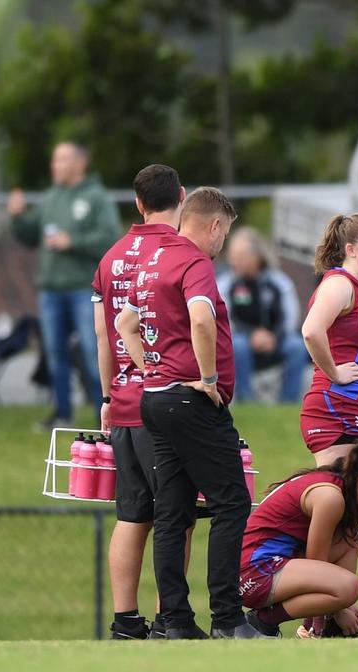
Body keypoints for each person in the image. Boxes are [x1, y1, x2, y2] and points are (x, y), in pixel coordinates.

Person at [115, 186, 259, 639]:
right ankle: (227, 618)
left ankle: (175, 621)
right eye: (224, 233)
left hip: (154, 399)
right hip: (190, 400)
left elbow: (124, 324)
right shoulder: (194, 260)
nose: (220, 245)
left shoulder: (151, 259)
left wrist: (151, 367)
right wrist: (209, 378)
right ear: (214, 225)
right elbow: (201, 317)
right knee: (231, 503)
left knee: (172, 511)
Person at [91, 164, 185, 640]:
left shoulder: (110, 258)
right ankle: (171, 617)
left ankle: (126, 620)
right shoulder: (178, 253)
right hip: (166, 401)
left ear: (138, 203)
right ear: (182, 197)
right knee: (177, 516)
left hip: (124, 402)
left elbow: (104, 338)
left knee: (132, 515)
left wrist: (107, 396)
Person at [9, 141, 122, 427]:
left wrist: (73, 242)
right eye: (54, 160)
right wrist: (18, 217)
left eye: (61, 159)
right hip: (51, 291)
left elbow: (111, 239)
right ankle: (62, 413)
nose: (54, 165)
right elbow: (29, 236)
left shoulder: (96, 198)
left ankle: (104, 413)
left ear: (79, 164)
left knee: (92, 351)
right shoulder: (50, 198)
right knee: (55, 352)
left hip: (84, 289)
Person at [240, 446, 358, 638]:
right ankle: (264, 621)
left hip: (270, 563)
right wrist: (340, 609)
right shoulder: (330, 498)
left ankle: (328, 629)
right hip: (252, 573)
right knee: (350, 587)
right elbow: (317, 564)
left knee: (349, 540)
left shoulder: (335, 483)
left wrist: (345, 606)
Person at [299, 214, 358, 465]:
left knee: (357, 499)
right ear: (350, 249)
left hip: (356, 408)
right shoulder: (340, 284)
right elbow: (311, 331)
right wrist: (334, 373)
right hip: (336, 406)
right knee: (338, 496)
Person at [216, 227, 310, 402]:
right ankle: (246, 400)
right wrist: (252, 335)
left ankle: (288, 403)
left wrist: (273, 337)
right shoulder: (226, 284)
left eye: (241, 256)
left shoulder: (278, 282)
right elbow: (225, 320)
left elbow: (290, 318)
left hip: (276, 340)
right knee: (238, 345)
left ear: (256, 257)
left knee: (297, 346)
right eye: (233, 256)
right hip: (243, 340)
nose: (235, 261)